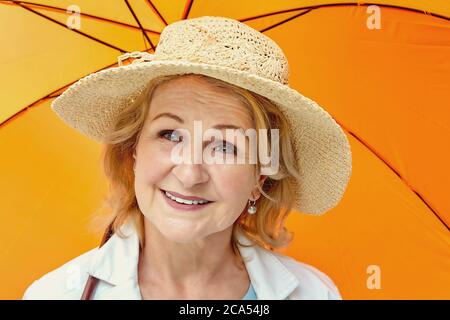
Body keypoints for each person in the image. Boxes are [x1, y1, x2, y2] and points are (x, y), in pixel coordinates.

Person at [23, 16, 351, 300]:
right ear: (134, 150)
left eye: (225, 146)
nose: (190, 174)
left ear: (259, 178)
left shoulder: (315, 293)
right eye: (170, 135)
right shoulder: (55, 293)